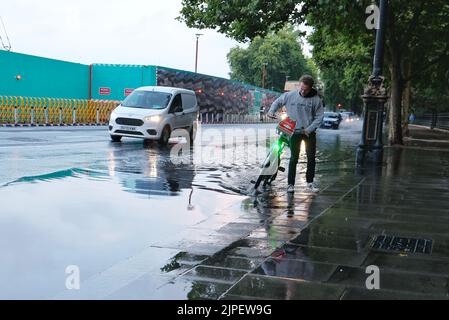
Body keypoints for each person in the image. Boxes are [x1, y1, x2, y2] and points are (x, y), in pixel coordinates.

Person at [267, 75, 324, 193]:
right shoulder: (290, 95)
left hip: (309, 132)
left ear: (310, 88)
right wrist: (271, 111)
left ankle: (310, 183)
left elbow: (319, 117)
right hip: (293, 131)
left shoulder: (316, 99)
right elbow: (278, 102)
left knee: (311, 158)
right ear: (299, 85)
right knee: (294, 158)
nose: (302, 91)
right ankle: (290, 184)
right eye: (301, 88)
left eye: (305, 90)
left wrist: (309, 129)